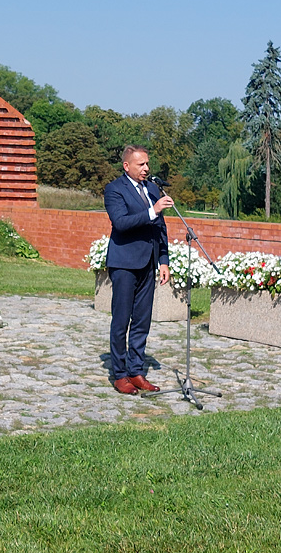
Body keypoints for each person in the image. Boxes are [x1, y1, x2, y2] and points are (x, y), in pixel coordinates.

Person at [103, 145, 173, 394]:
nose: (146, 168)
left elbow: (160, 227)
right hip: (124, 263)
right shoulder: (114, 189)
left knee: (142, 321)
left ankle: (136, 371)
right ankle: (120, 374)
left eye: (147, 163)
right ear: (127, 166)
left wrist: (163, 260)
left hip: (148, 263)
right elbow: (121, 223)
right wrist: (152, 211)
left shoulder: (152, 189)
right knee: (121, 320)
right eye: (141, 164)